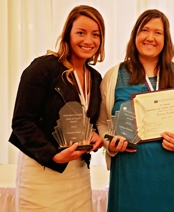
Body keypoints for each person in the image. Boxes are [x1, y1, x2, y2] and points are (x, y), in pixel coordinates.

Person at [97, 9, 174, 212]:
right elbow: (102, 123)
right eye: (144, 30)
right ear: (135, 35)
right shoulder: (114, 75)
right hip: (129, 172)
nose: (150, 37)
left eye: (158, 32)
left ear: (166, 39)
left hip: (173, 173)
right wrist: (110, 144)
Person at [9, 5, 105, 212]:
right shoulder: (43, 68)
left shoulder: (96, 78)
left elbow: (89, 120)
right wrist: (53, 155)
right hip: (41, 171)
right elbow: (21, 122)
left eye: (95, 34)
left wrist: (95, 134)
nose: (88, 40)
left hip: (78, 172)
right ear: (68, 34)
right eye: (81, 32)